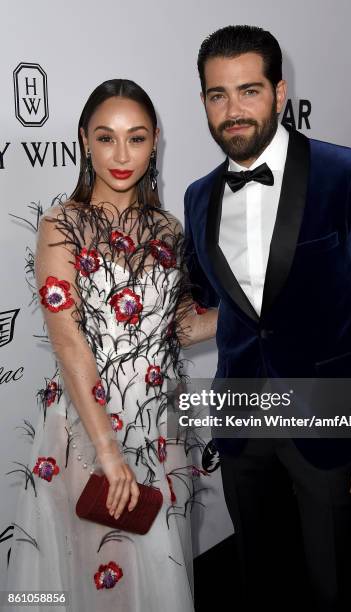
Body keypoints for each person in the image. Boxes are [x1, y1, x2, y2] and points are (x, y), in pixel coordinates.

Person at [183, 25, 351, 611]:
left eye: (249, 91)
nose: (233, 110)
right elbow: (212, 300)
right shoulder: (198, 196)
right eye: (218, 95)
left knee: (338, 585)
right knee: (259, 581)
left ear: (281, 93)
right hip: (242, 422)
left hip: (334, 422)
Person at [5, 79, 217, 612]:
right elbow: (69, 343)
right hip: (86, 430)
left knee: (154, 573)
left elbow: (179, 329)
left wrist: (256, 310)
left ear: (156, 142)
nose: (122, 155)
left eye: (137, 138)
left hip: (156, 430)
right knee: (88, 577)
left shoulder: (168, 230)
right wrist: (108, 451)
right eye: (106, 138)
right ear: (84, 140)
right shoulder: (62, 225)